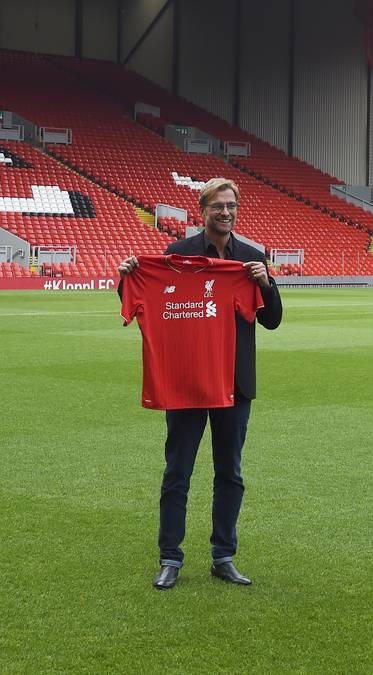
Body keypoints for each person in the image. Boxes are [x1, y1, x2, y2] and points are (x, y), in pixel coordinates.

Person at [117, 177, 283, 590]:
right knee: (178, 471)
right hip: (187, 381)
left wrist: (265, 281)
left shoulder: (251, 258)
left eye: (230, 206)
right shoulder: (176, 254)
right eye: (217, 207)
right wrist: (128, 278)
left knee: (230, 472)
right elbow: (148, 301)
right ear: (203, 210)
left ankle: (223, 556)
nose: (225, 213)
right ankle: (170, 557)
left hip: (234, 383)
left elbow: (273, 319)